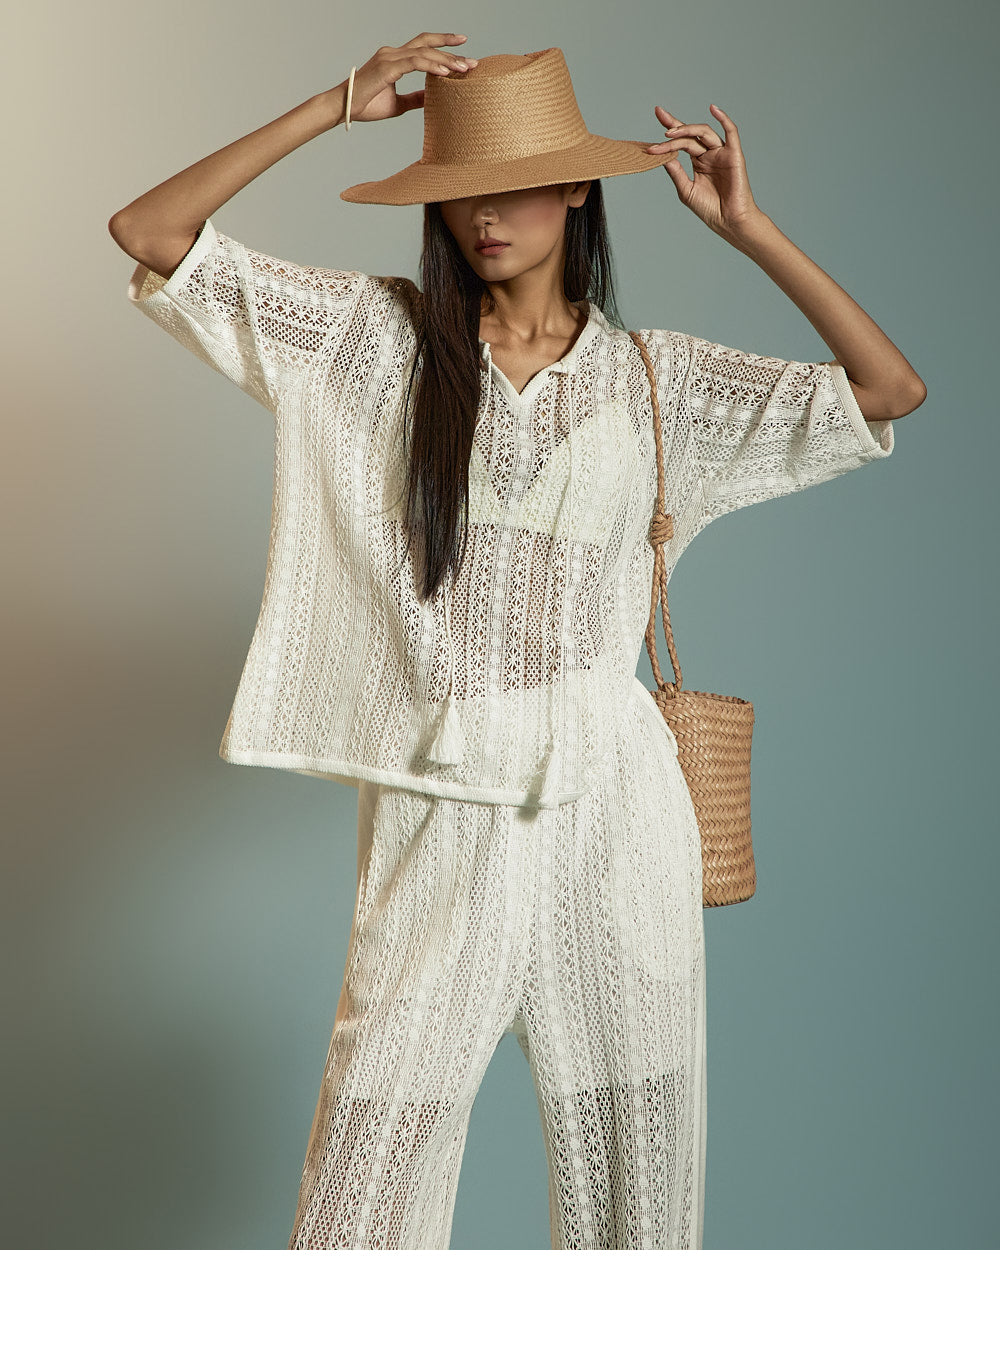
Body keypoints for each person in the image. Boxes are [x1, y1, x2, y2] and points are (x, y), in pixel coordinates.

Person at [109, 34, 925, 1251]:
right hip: (443, 804)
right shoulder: (375, 342)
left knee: (637, 1200)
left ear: (579, 190)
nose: (484, 216)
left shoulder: (655, 382)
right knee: (359, 1204)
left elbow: (884, 391)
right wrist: (332, 105)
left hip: (619, 812)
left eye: (515, 185)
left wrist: (748, 230)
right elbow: (150, 232)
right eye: (457, 193)